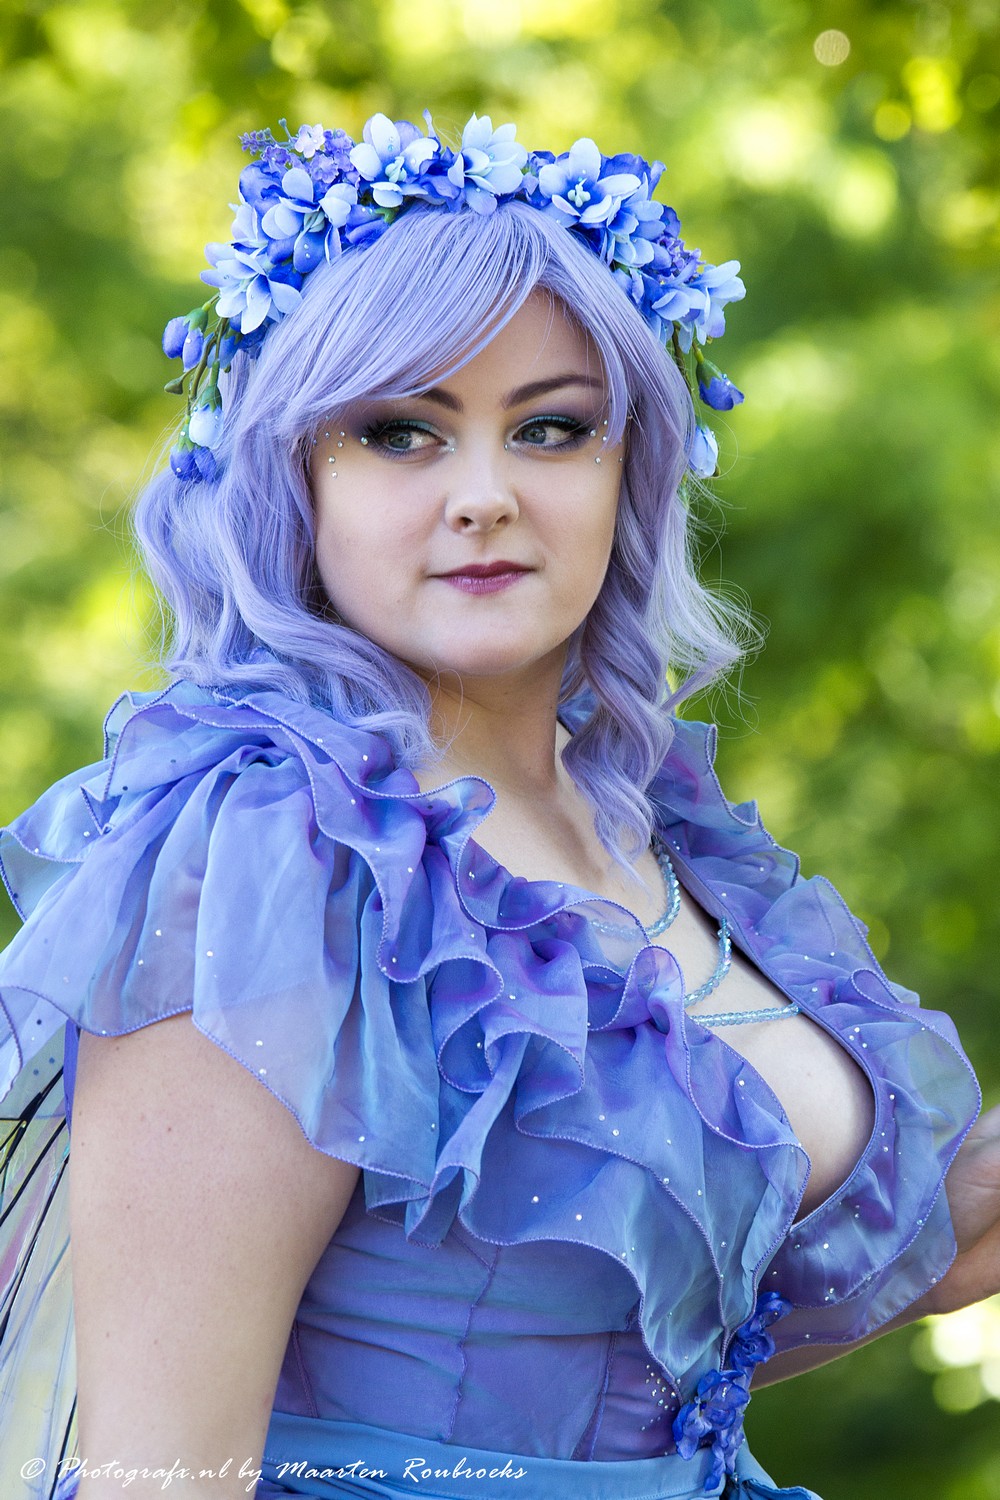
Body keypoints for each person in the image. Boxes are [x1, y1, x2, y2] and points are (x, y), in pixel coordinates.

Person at [0, 109, 997, 1500]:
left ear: (628, 470)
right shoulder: (266, 854)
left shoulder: (656, 837)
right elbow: (157, 1479)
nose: (484, 496)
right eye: (401, 432)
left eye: (551, 428)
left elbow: (632, 1341)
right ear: (293, 476)